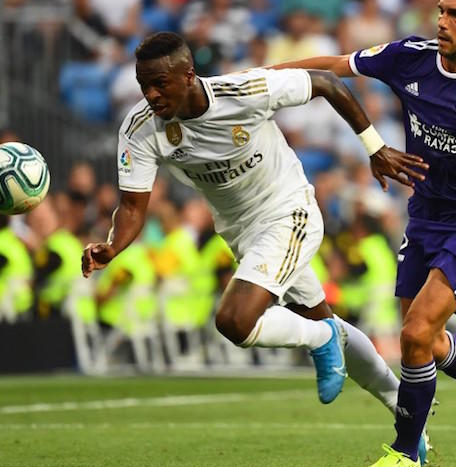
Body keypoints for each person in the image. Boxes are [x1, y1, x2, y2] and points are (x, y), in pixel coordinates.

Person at [269, 0, 456, 467]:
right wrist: (259, 78)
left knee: (418, 333)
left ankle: (404, 454)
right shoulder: (410, 56)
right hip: (425, 215)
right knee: (424, 341)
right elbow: (335, 66)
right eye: (441, 10)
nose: (442, 21)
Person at [81, 31, 429, 422]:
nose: (151, 95)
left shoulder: (244, 91)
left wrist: (375, 148)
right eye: (143, 85)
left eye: (160, 83)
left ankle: (322, 339)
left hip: (289, 212)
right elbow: (132, 207)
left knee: (235, 320)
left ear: (189, 75)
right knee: (323, 319)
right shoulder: (140, 128)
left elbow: (328, 83)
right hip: (241, 234)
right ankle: (406, 411)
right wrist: (113, 245)